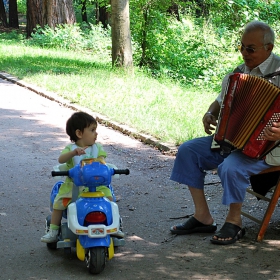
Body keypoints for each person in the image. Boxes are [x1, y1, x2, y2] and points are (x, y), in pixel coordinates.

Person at [170, 20, 280, 245]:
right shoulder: (238, 73)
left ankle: (234, 221)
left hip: (270, 147)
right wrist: (210, 113)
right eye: (242, 47)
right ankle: (203, 217)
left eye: (250, 49)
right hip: (233, 140)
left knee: (230, 167)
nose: (244, 53)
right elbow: (221, 101)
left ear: (268, 48)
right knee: (188, 151)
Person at [41, 111, 114, 243]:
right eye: (92, 130)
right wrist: (73, 153)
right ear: (79, 133)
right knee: (59, 203)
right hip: (74, 186)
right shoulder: (71, 148)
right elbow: (61, 160)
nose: (96, 134)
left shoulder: (97, 148)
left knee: (110, 200)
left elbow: (102, 161)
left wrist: (105, 166)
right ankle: (53, 230)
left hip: (97, 185)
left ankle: (113, 225)